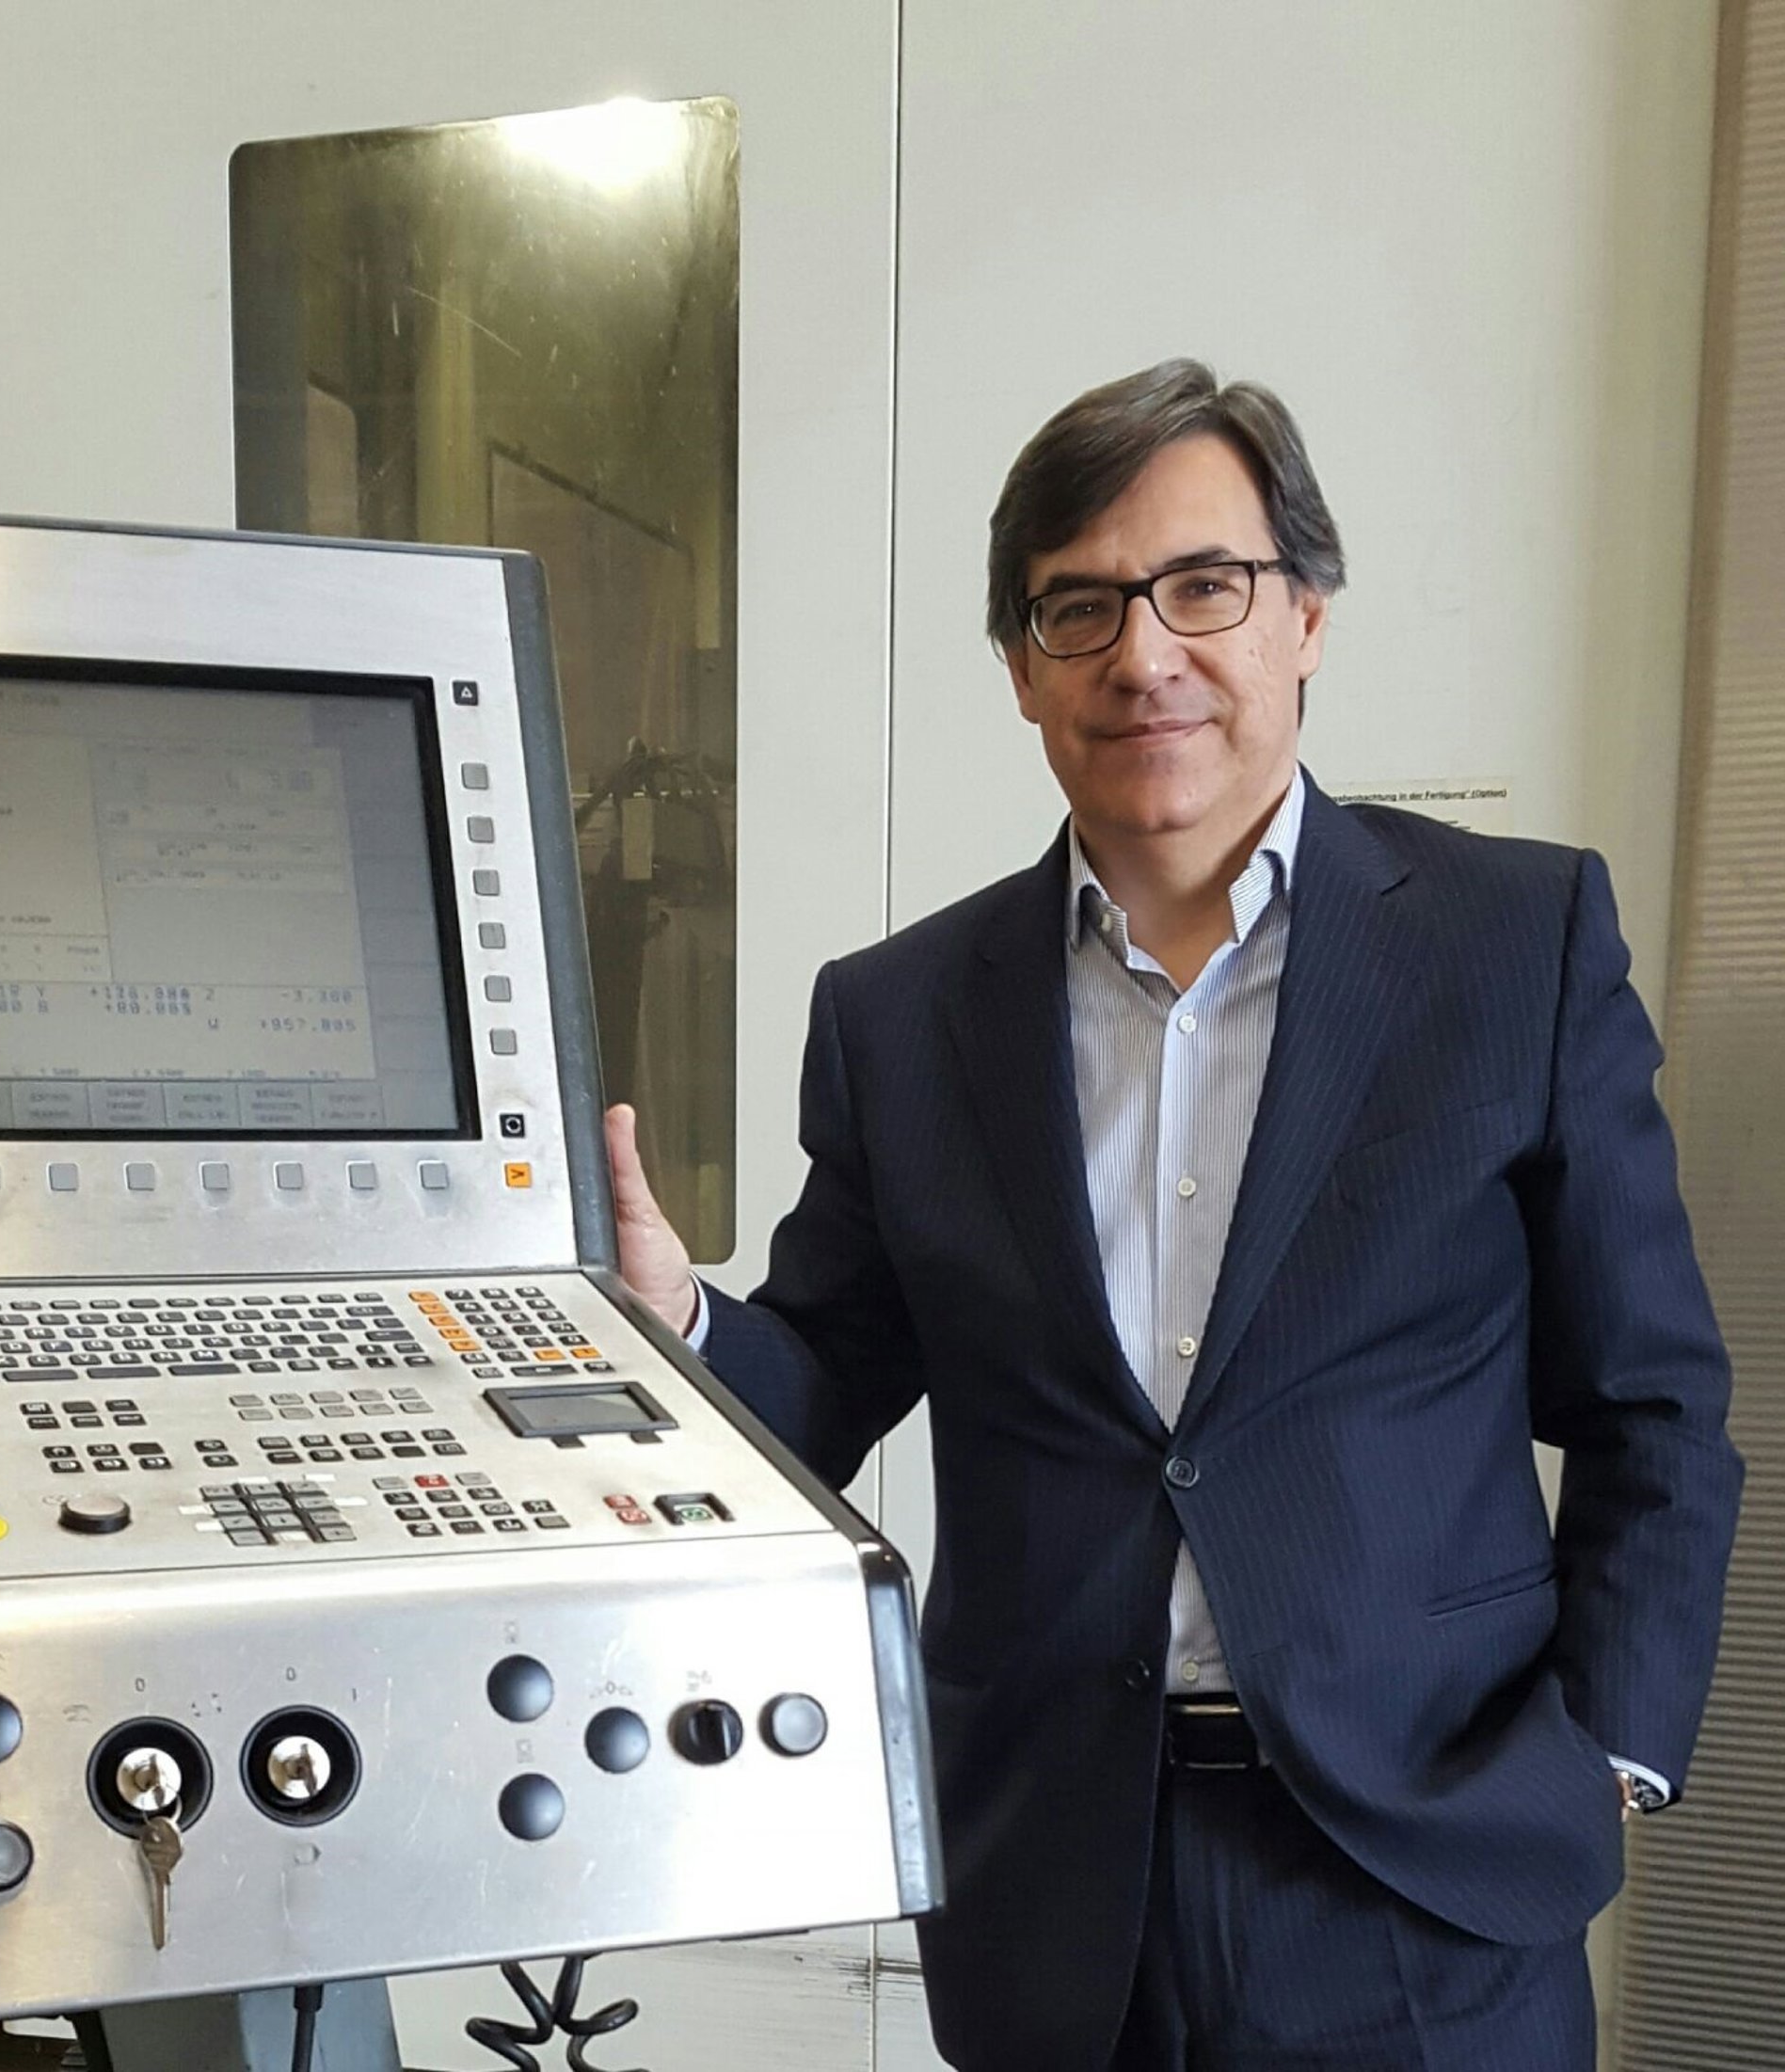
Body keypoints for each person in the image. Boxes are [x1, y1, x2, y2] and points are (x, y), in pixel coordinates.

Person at [604, 359, 1743, 2072]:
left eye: (1203, 585)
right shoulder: (904, 1015)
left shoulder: (1514, 947)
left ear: (1306, 615)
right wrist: (677, 1326)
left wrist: (1609, 1755)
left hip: (1421, 1873)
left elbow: (1653, 1405)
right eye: (1079, 607)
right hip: (1061, 1881)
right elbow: (826, 1373)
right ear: (1020, 667)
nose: (1144, 654)